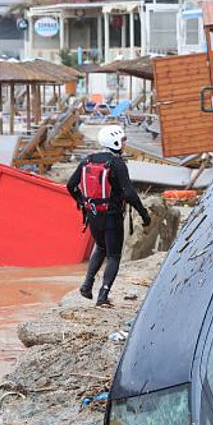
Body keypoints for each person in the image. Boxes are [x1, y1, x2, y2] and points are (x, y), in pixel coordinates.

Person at [66, 125, 151, 307]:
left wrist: (83, 202)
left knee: (101, 246)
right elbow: (129, 194)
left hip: (93, 214)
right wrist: (144, 215)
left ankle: (87, 284)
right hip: (112, 216)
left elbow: (70, 185)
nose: (125, 142)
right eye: (123, 140)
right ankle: (103, 296)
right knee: (113, 255)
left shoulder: (87, 160)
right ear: (115, 142)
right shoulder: (116, 163)